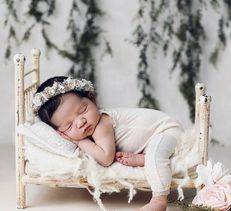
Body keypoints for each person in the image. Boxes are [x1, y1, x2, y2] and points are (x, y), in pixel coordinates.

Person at [32, 76, 184, 211]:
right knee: (154, 152)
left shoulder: (102, 123)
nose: (80, 122)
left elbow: (106, 158)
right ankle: (144, 159)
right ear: (60, 133)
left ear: (92, 99)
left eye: (83, 110)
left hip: (166, 131)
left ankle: (159, 199)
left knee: (156, 155)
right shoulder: (90, 123)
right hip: (153, 138)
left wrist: (79, 140)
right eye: (69, 126)